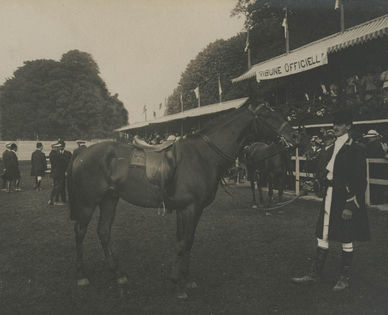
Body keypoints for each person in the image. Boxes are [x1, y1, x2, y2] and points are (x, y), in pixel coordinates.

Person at [292, 109, 370, 291]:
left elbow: (360, 181)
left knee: (346, 236)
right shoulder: (330, 148)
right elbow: (324, 172)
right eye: (334, 123)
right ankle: (314, 274)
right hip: (329, 196)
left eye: (340, 124)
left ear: (348, 126)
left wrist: (350, 205)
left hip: (344, 198)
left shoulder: (355, 149)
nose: (335, 127)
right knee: (323, 233)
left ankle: (344, 277)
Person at [363, 130, 387, 204]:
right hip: (379, 168)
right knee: (377, 185)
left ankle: (375, 199)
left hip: (374, 168)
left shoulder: (370, 145)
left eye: (371, 137)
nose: (369, 139)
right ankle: (378, 199)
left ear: (375, 137)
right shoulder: (380, 144)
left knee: (374, 185)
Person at [48, 141, 72, 206]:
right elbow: (60, 163)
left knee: (58, 186)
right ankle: (53, 200)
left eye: (60, 146)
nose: (59, 148)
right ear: (55, 147)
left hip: (59, 173)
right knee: (57, 187)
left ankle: (55, 200)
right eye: (58, 147)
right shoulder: (55, 154)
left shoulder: (55, 153)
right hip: (58, 173)